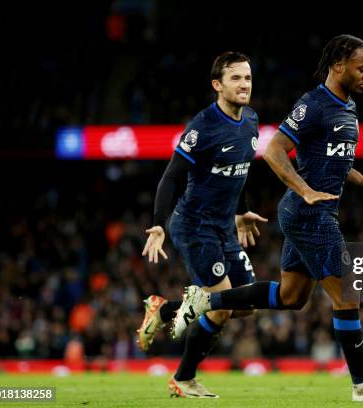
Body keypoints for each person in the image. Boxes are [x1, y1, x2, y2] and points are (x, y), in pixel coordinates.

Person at [172, 35, 363, 403]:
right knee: (348, 294)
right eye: (362, 68)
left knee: (291, 297)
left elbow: (335, 160)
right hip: (309, 213)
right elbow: (273, 151)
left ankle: (206, 301)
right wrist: (305, 190)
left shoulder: (348, 108)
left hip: (312, 211)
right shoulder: (314, 104)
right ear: (338, 66)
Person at [138, 51, 267, 398]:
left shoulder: (252, 120)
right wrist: (159, 225)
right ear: (217, 85)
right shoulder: (203, 127)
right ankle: (183, 379)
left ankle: (165, 309)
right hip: (193, 225)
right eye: (236, 78)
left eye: (248, 78)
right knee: (222, 305)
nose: (244, 84)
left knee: (247, 305)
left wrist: (241, 211)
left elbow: (238, 173)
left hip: (224, 226)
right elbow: (170, 178)